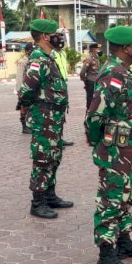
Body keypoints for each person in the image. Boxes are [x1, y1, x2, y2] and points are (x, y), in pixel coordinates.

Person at [85, 25, 132, 264]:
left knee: (126, 195)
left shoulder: (124, 71)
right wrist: (99, 144)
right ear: (126, 48)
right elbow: (95, 115)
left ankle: (123, 240)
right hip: (116, 150)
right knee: (112, 198)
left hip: (130, 148)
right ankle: (106, 252)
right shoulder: (112, 73)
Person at [19, 19, 75, 219]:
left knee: (54, 155)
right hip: (44, 116)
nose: (58, 37)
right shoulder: (38, 59)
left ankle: (50, 194)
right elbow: (26, 90)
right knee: (43, 157)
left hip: (54, 116)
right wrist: (30, 108)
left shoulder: (49, 57)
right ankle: (38, 201)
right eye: (54, 33)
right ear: (44, 36)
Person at [50, 28, 74, 147]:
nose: (61, 40)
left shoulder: (62, 53)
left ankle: (60, 137)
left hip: (64, 85)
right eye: (59, 37)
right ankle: (55, 139)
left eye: (62, 37)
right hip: (55, 86)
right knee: (55, 113)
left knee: (62, 113)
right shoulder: (51, 53)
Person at [16, 43, 34, 134]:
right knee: (23, 107)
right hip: (24, 88)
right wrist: (19, 90)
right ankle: (24, 127)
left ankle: (29, 125)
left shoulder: (33, 61)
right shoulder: (22, 61)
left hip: (31, 88)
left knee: (30, 107)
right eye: (31, 50)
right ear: (26, 51)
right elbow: (19, 76)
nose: (32, 51)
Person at [79, 43, 101, 110]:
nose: (99, 50)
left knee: (95, 100)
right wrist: (85, 80)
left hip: (96, 82)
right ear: (93, 49)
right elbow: (82, 72)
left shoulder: (96, 59)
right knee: (90, 100)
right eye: (98, 49)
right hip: (91, 82)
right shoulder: (89, 59)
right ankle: (88, 114)